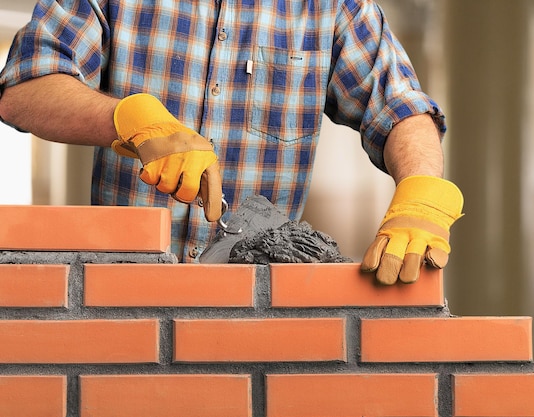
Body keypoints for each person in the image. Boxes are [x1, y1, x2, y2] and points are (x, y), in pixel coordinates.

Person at [0, 0, 463, 285]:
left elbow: (400, 105)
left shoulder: (332, 7)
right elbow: (24, 88)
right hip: (119, 299)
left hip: (256, 309)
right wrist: (128, 117)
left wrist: (422, 191)